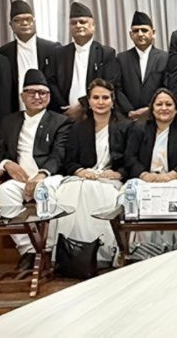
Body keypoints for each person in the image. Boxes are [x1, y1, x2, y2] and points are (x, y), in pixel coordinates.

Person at [0, 69, 72, 270]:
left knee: (45, 191)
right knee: (4, 191)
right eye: (31, 92)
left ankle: (49, 251)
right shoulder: (10, 121)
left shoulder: (60, 121)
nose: (37, 97)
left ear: (49, 96)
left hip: (50, 177)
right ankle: (28, 251)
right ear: (22, 96)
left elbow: (59, 154)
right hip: (19, 179)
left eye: (42, 93)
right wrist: (7, 164)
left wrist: (41, 175)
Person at [57, 79, 131, 265]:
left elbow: (132, 159)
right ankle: (75, 253)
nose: (100, 102)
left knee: (98, 191)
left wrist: (119, 173)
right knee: (68, 191)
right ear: (89, 102)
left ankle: (104, 252)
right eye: (96, 98)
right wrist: (80, 171)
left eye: (105, 98)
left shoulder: (126, 126)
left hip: (110, 179)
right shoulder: (78, 128)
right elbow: (69, 161)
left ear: (112, 101)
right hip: (84, 177)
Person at [123, 88, 177, 253]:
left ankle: (171, 248)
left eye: (168, 104)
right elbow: (129, 157)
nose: (164, 108)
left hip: (173, 179)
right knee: (132, 191)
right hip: (145, 179)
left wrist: (171, 175)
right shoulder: (139, 128)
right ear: (152, 108)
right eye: (159, 104)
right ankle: (142, 249)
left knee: (175, 192)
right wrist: (145, 175)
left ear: (176, 109)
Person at [47, 2, 119, 122]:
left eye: (83, 22)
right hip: (63, 116)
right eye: (74, 23)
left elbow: (108, 84)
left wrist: (82, 106)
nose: (78, 25)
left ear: (93, 26)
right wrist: (65, 108)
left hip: (95, 115)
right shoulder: (58, 54)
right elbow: (51, 82)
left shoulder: (106, 53)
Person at [0, 0, 60, 113]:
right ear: (11, 25)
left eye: (28, 19)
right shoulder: (3, 52)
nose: (24, 23)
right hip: (16, 112)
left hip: (50, 113)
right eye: (18, 20)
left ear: (34, 22)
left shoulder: (53, 49)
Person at [114, 11, 168, 122]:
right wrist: (130, 111)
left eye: (144, 30)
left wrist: (149, 109)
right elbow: (117, 89)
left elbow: (167, 88)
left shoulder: (164, 58)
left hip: (156, 117)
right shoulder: (121, 58)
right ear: (130, 34)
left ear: (153, 33)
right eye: (136, 31)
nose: (140, 34)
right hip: (128, 118)